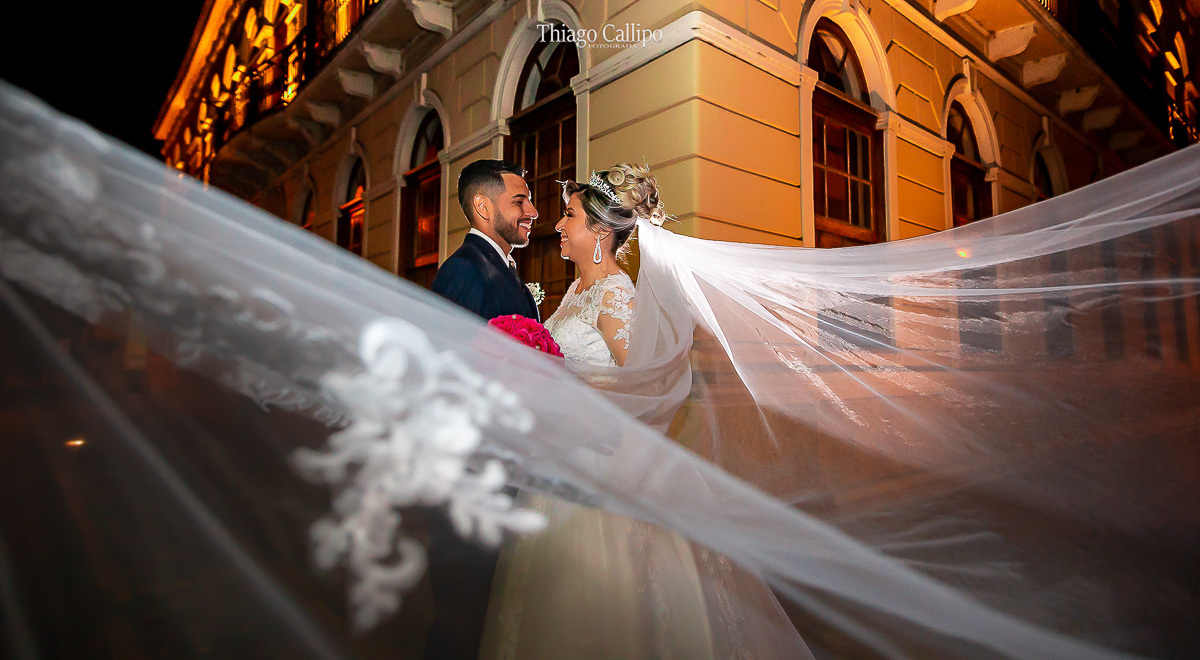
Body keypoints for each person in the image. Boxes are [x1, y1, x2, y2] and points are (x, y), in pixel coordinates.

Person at [478, 164, 814, 659]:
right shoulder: (576, 290)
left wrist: (567, 400)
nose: (558, 225)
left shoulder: (615, 296)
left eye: (569, 216)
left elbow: (643, 386)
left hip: (602, 469)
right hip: (561, 460)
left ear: (598, 232)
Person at [431, 159, 541, 322]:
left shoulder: (498, 264)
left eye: (529, 201)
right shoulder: (463, 269)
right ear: (483, 206)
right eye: (519, 202)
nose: (533, 212)